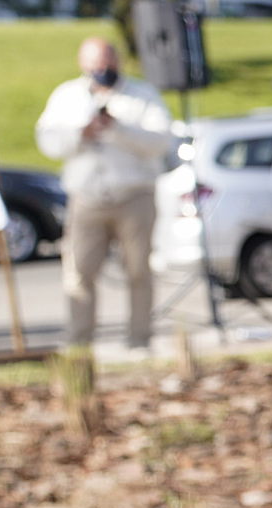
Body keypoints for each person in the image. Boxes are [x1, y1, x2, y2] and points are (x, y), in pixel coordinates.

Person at [34, 36, 176, 355]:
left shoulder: (143, 95)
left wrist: (119, 129)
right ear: (83, 65)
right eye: (95, 65)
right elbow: (47, 140)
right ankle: (79, 344)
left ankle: (139, 341)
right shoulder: (67, 96)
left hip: (134, 195)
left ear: (119, 61)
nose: (102, 70)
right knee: (79, 273)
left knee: (139, 271)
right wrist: (79, 134)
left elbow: (160, 142)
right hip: (87, 199)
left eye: (108, 63)